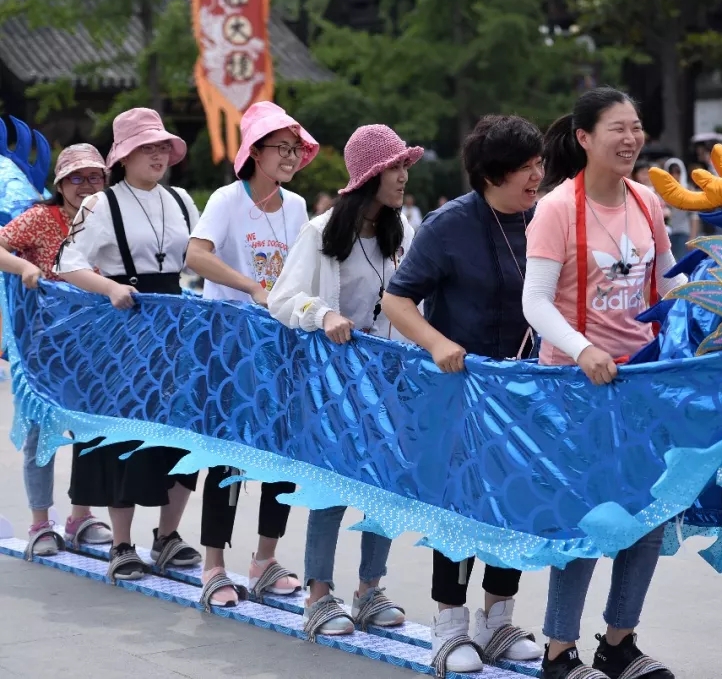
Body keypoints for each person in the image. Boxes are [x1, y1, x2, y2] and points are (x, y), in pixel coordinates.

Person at [524, 87, 685, 679]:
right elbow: (535, 302)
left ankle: (619, 643)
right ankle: (559, 653)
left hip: (641, 383)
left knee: (649, 512)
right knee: (588, 517)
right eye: (617, 128)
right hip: (574, 386)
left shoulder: (646, 202)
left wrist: (706, 307)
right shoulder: (556, 209)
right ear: (584, 138)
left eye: (637, 127)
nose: (631, 139)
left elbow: (666, 283)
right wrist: (583, 349)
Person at [382, 115, 545, 675]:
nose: (536, 177)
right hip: (459, 388)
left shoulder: (543, 220)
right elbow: (396, 299)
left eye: (539, 165)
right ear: (492, 175)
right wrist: (436, 343)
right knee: (460, 503)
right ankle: (449, 627)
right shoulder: (448, 225)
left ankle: (498, 620)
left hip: (525, 388)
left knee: (516, 499)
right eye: (526, 168)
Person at [268, 124, 420, 637]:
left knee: (383, 485)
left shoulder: (403, 233)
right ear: (370, 176)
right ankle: (318, 596)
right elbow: (282, 299)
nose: (403, 176)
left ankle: (369, 589)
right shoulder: (322, 231)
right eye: (394, 167)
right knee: (330, 484)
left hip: (388, 380)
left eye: (404, 166)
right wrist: (324, 313)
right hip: (333, 378)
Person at [56, 108, 202, 580]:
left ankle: (168, 535)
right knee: (127, 431)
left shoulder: (181, 199)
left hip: (176, 327)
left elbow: (200, 259)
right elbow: (66, 263)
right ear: (124, 156)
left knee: (183, 429)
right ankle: (122, 543)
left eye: (163, 146)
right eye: (148, 147)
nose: (159, 154)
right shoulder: (100, 204)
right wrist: (110, 288)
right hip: (124, 327)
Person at [185, 101, 318, 607]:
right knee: (227, 454)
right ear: (254, 152)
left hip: (281, 347)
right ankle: (213, 566)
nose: (289, 156)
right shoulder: (226, 199)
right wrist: (253, 288)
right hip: (230, 345)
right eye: (280, 148)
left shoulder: (298, 206)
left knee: (280, 452)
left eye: (294, 148)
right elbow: (196, 256)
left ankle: (264, 559)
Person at [0, 144, 114, 556]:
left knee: (89, 431)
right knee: (40, 432)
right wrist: (25, 266)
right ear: (61, 184)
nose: (86, 186)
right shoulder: (41, 218)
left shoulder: (111, 219)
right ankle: (39, 523)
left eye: (95, 177)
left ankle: (80, 516)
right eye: (77, 178)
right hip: (42, 346)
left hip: (96, 345)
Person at [662, 157, 696, 261]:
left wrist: (693, 237)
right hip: (665, 234)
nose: (675, 175)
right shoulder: (660, 190)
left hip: (683, 233)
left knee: (681, 263)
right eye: (671, 172)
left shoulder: (688, 190)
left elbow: (694, 216)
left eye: (678, 172)